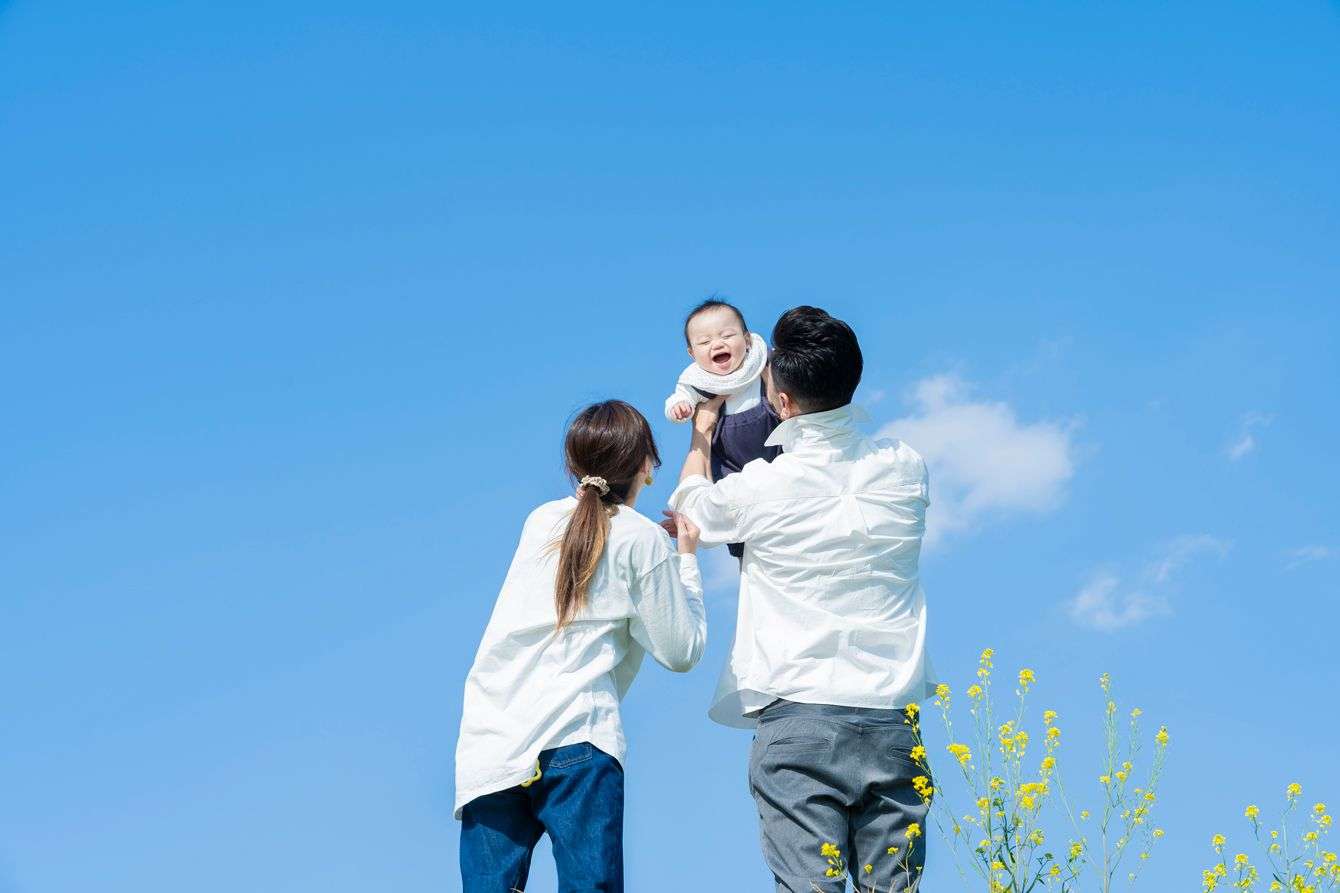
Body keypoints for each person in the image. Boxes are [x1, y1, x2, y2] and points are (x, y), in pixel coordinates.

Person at [667, 307, 934, 892]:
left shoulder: (765, 486)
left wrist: (702, 434)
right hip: (893, 717)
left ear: (781, 404)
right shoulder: (906, 467)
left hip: (798, 710)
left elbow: (691, 506)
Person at [455, 400, 707, 893]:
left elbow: (594, 554)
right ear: (647, 466)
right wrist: (684, 561)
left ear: (574, 465)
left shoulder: (540, 521)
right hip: (577, 735)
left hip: (492, 741)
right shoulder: (642, 540)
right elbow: (682, 651)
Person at [663, 298, 781, 558]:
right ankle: (739, 542)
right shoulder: (698, 380)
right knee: (727, 499)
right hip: (729, 461)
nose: (717, 344)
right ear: (692, 354)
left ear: (747, 340)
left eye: (727, 335)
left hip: (773, 446)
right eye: (704, 342)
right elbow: (679, 397)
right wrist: (680, 407)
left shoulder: (760, 362)